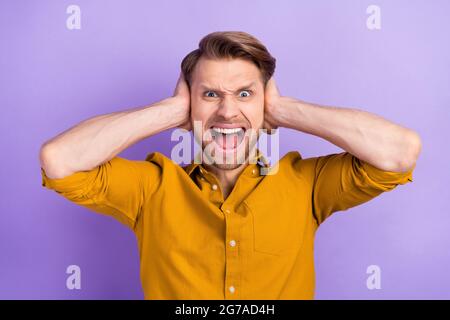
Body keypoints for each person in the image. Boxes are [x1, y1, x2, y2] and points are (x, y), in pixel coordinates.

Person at [40, 31, 422, 299]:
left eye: (244, 94)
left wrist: (282, 110)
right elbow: (59, 159)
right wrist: (169, 111)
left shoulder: (306, 184)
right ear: (190, 102)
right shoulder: (151, 188)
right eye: (209, 94)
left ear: (264, 101)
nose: (226, 111)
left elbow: (400, 151)